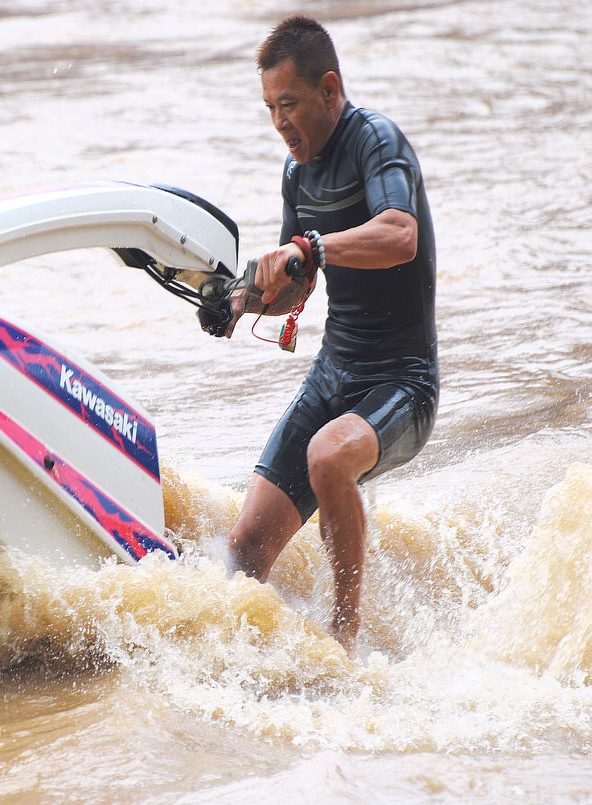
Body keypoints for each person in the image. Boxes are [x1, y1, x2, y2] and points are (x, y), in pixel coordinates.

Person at [223, 15, 439, 655]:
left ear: (329, 90)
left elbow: (401, 235)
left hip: (403, 382)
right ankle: (248, 669)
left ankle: (343, 640)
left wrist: (311, 247)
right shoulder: (297, 174)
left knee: (326, 456)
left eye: (288, 104)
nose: (280, 122)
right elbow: (299, 282)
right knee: (243, 550)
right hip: (335, 374)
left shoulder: (377, 141)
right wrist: (243, 301)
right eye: (269, 108)